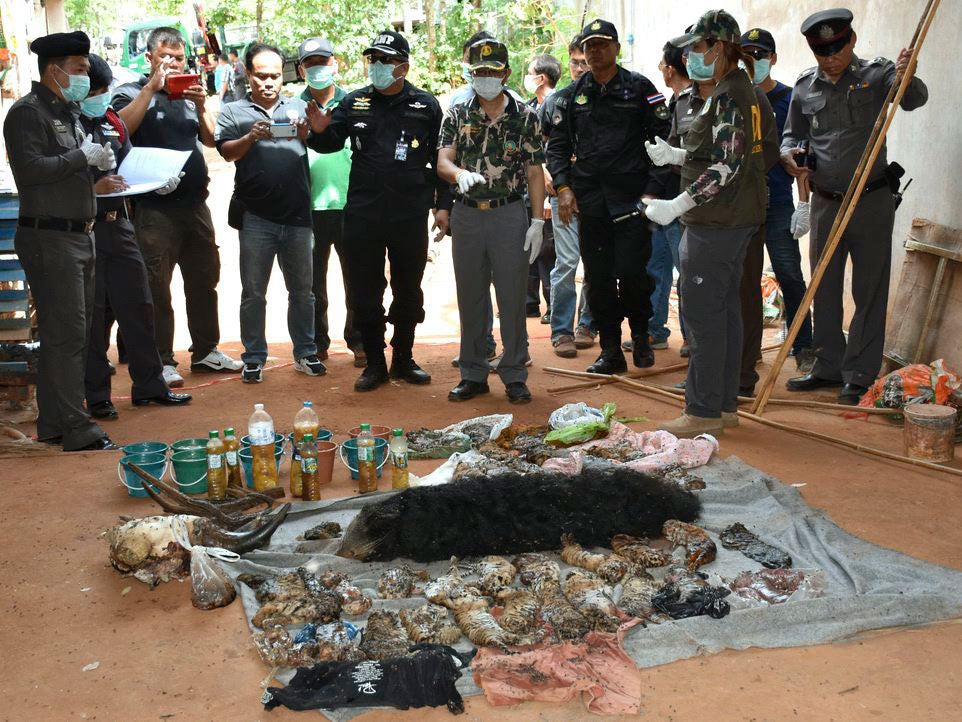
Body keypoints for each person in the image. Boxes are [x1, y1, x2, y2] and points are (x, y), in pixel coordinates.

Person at [782, 8, 928, 404]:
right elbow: (791, 136)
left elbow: (914, 99)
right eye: (821, 50)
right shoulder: (804, 87)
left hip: (871, 201)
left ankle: (859, 373)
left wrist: (908, 73)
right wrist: (790, 155)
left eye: (836, 46)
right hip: (826, 202)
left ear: (852, 40)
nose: (830, 56)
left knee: (869, 287)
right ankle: (828, 365)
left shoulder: (878, 75)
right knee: (823, 286)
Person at [306, 30, 452, 392]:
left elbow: (443, 160)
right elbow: (328, 142)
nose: (378, 66)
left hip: (409, 214)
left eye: (386, 60)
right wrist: (316, 131)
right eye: (373, 59)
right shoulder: (354, 102)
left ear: (403, 65)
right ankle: (374, 363)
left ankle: (403, 358)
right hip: (363, 214)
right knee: (365, 291)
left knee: (408, 289)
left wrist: (443, 206)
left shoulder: (426, 105)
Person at [645, 9, 767, 437]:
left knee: (702, 317)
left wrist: (676, 204)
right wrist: (676, 156)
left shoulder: (732, 94)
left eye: (697, 47)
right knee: (725, 313)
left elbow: (726, 166)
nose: (691, 55)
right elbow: (718, 149)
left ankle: (702, 410)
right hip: (730, 220)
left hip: (716, 223)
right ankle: (723, 404)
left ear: (720, 47)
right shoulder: (730, 91)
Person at [3, 31, 116, 450]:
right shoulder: (26, 113)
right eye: (80, 70)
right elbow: (31, 169)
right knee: (67, 335)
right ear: (55, 70)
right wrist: (79, 158)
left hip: (77, 235)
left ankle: (54, 422)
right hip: (49, 237)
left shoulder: (67, 112)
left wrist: (94, 168)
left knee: (71, 334)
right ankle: (77, 427)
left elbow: (65, 169)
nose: (85, 77)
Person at [112, 27, 242, 387]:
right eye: (165, 56)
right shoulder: (131, 91)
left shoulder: (188, 94)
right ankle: (162, 360)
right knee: (156, 286)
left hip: (195, 205)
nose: (172, 63)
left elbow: (210, 140)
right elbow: (120, 129)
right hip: (154, 209)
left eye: (179, 57)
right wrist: (151, 88)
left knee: (204, 279)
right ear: (150, 58)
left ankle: (205, 351)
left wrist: (201, 105)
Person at [546, 19, 671, 374]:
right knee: (598, 279)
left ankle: (642, 336)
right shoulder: (572, 97)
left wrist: (651, 193)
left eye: (602, 44)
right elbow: (557, 148)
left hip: (632, 202)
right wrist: (565, 187)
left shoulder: (639, 89)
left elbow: (663, 143)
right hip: (592, 204)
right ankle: (611, 351)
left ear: (616, 48)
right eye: (589, 46)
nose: (595, 51)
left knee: (633, 275)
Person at [80, 54, 191, 418]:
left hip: (120, 223)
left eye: (102, 89)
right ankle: (97, 396)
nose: (99, 96)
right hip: (87, 229)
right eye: (93, 90)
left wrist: (156, 181)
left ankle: (149, 385)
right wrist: (90, 186)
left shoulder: (111, 121)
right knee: (94, 316)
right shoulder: (68, 124)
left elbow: (128, 163)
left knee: (140, 306)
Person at [438, 38, 545, 404]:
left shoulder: (525, 115)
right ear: (470, 73)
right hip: (468, 215)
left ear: (506, 73)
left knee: (513, 295)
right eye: (478, 71)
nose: (485, 77)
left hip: (508, 214)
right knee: (471, 296)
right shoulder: (457, 113)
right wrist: (457, 175)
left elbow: (534, 172)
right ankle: (473, 372)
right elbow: (443, 160)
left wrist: (537, 221)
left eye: (492, 71)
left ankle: (514, 373)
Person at [215, 43, 326, 384]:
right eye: (261, 76)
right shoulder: (233, 112)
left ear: (284, 75)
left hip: (297, 216)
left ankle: (306, 353)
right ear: (248, 74)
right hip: (256, 218)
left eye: (275, 76)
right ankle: (253, 357)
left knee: (303, 293)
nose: (268, 83)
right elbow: (226, 153)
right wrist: (250, 136)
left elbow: (317, 141)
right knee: (253, 293)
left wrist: (311, 130)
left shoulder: (299, 108)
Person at [741, 27, 814, 374]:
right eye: (746, 55)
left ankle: (804, 345)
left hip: (778, 202)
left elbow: (802, 156)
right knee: (743, 278)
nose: (752, 61)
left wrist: (804, 203)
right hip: (741, 204)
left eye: (759, 54)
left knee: (788, 273)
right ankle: (746, 351)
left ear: (773, 58)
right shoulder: (735, 97)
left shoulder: (790, 99)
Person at [298, 37, 364, 368]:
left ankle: (360, 340)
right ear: (301, 69)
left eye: (323, 62)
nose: (318, 68)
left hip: (350, 205)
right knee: (311, 284)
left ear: (335, 64)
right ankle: (316, 344)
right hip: (308, 208)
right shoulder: (293, 107)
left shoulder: (353, 104)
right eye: (310, 63)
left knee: (357, 278)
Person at [541, 35, 595, 358]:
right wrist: (552, 180)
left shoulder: (606, 100)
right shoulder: (555, 102)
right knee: (567, 262)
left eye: (585, 62)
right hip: (563, 198)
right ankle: (561, 330)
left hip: (596, 198)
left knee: (595, 263)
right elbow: (539, 150)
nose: (580, 68)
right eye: (575, 61)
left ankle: (587, 323)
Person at [523, 53, 559, 325]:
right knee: (527, 248)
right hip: (527, 189)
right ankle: (529, 303)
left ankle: (553, 305)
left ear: (541, 77)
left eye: (529, 72)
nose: (527, 77)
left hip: (549, 188)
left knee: (547, 250)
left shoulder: (559, 104)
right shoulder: (527, 107)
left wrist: (549, 194)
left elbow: (554, 152)